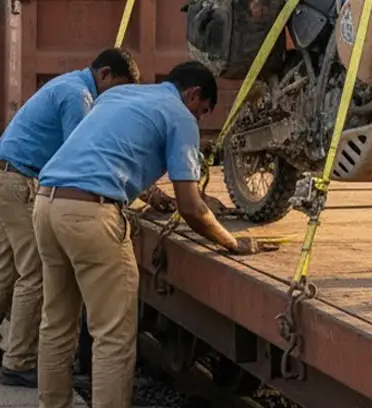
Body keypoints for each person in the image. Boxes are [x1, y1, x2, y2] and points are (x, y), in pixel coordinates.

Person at [31, 61, 254, 408]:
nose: (199, 119)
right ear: (193, 95)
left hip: (46, 202)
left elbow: (114, 149)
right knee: (113, 334)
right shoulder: (180, 115)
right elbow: (192, 208)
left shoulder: (119, 95)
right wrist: (232, 242)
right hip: (91, 213)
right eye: (202, 111)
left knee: (57, 323)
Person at [0, 48, 141, 385]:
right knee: (35, 271)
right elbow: (83, 154)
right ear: (104, 74)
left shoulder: (69, 85)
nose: (115, 96)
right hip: (18, 181)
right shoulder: (78, 96)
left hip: (3, 174)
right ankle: (17, 362)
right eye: (116, 87)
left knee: (6, 263)